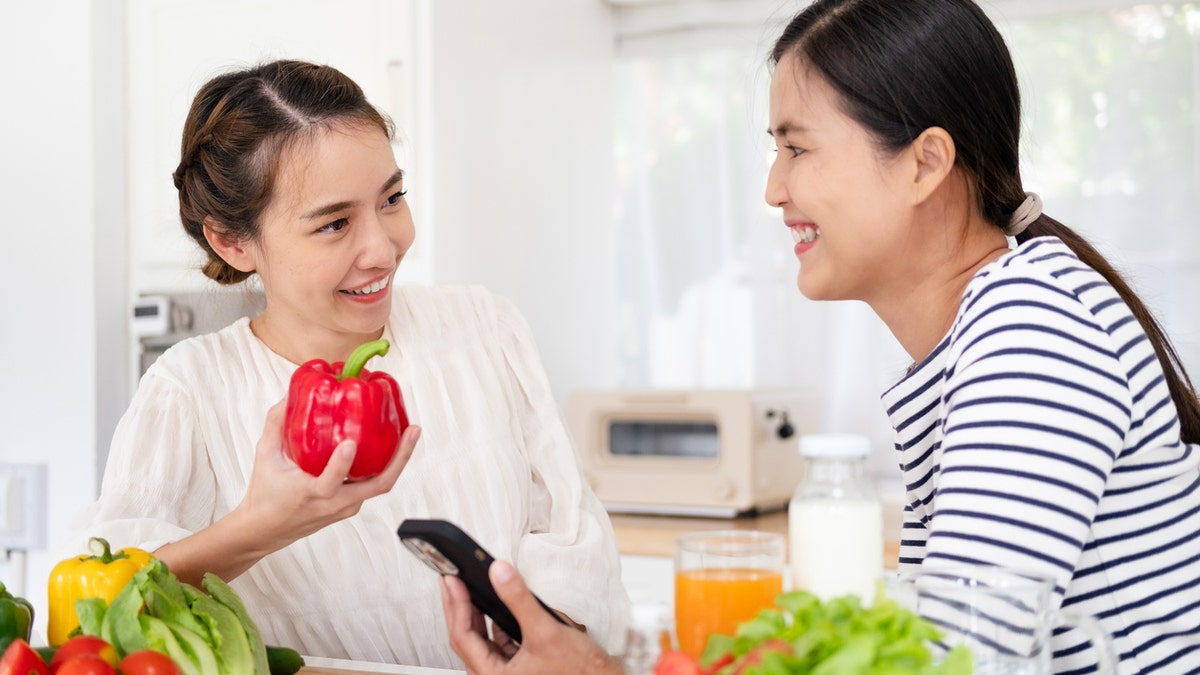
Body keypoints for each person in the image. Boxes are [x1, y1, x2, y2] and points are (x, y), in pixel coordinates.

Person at [442, 0, 1200, 673]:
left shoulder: (1032, 333)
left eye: (797, 148)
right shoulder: (1009, 318)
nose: (774, 188)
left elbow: (954, 665)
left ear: (925, 163)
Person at [75, 59, 629, 668]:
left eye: (393, 198)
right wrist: (262, 526)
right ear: (233, 241)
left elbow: (572, 541)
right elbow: (103, 613)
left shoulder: (482, 329)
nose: (383, 247)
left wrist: (550, 640)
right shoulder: (189, 391)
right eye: (335, 223)